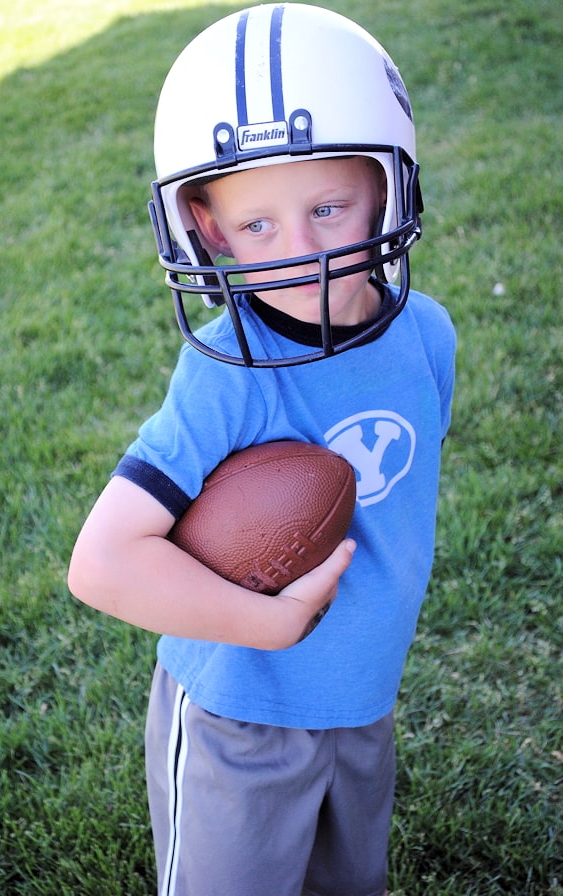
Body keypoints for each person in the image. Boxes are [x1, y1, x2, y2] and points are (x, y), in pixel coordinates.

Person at [68, 5, 456, 895]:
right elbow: (102, 563)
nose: (302, 254)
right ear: (204, 227)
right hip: (241, 713)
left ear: (385, 185)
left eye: (327, 207)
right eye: (258, 228)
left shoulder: (427, 335)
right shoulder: (228, 373)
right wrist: (269, 623)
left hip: (363, 700)